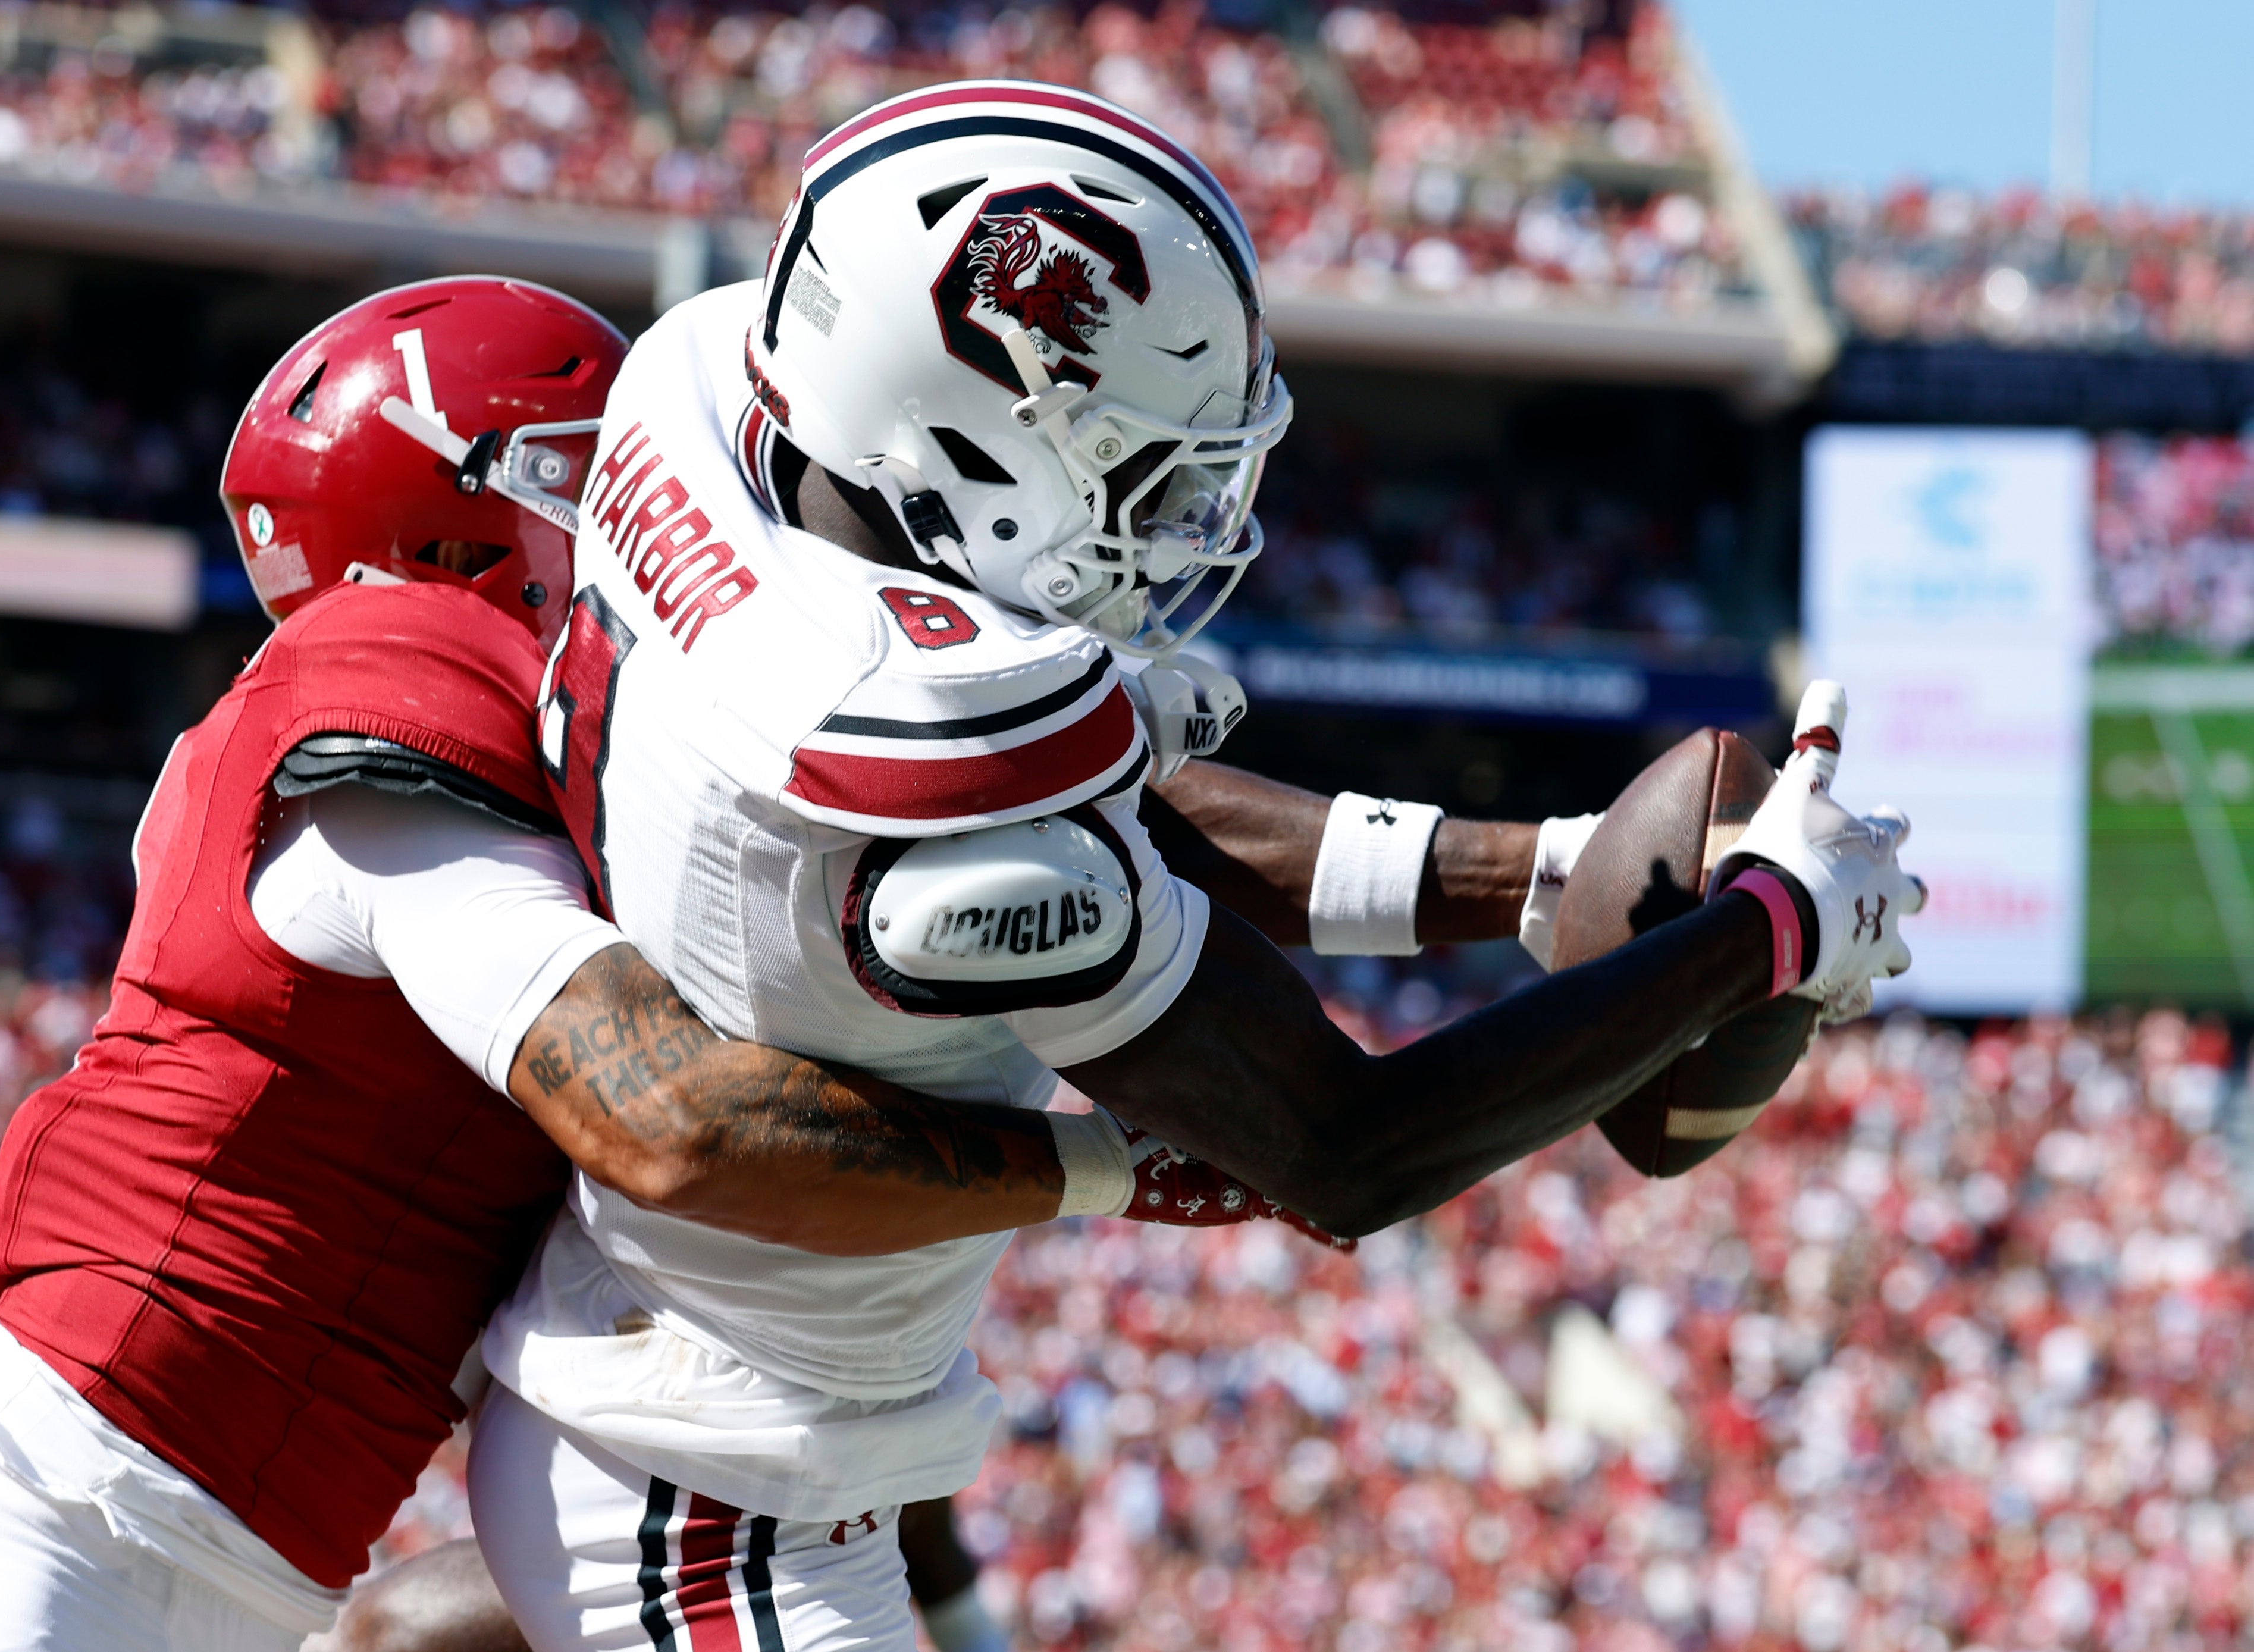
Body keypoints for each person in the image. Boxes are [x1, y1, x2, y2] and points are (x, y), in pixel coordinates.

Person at [0, 273, 1573, 1652]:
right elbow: (681, 1123)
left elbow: (1095, 825)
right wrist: (1112, 1165)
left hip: (211, 1566)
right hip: (28, 1524)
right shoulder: (393, 715)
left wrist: (1537, 873)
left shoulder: (602, 778)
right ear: (518, 501)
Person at [471, 80, 1923, 1652]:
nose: (1181, 523)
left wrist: (1530, 869)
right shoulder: (918, 768)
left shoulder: (730, 431)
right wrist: (1772, 930)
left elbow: (1128, 818)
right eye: (1142, 470)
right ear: (964, 437)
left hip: (643, 1390)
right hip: (726, 1500)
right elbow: (1350, 1150)